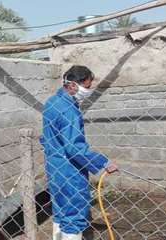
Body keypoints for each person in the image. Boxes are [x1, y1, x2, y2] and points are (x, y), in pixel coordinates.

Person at [40, 65, 118, 240]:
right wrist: (102, 162)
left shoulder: (52, 102)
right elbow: (74, 148)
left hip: (54, 167)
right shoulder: (69, 111)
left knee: (60, 211)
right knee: (74, 214)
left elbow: (45, 138)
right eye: (87, 87)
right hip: (69, 170)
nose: (88, 91)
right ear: (73, 85)